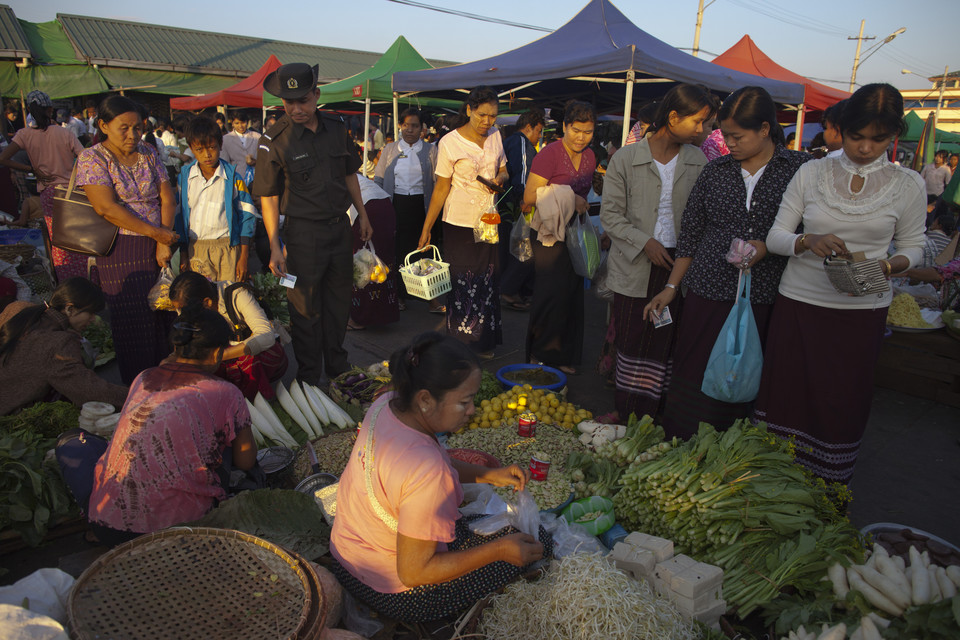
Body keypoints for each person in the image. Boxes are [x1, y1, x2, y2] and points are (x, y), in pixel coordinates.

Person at [755, 83, 925, 484]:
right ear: (841, 129)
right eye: (857, 137)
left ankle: (826, 490)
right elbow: (777, 236)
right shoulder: (810, 172)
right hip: (799, 303)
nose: (866, 148)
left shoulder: (909, 184)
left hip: (860, 311)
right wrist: (806, 241)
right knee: (787, 397)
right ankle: (773, 481)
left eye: (878, 139)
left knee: (840, 403)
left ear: (893, 136)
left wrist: (889, 265)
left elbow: (915, 247)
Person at [330, 332, 550, 623]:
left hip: (346, 554)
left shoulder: (386, 405)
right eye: (464, 402)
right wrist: (499, 551)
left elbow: (429, 462)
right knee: (536, 540)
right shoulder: (430, 473)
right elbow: (413, 572)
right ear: (425, 400)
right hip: (395, 590)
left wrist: (487, 475)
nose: (472, 411)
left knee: (484, 530)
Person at [645, 86, 810, 437]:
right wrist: (672, 288)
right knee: (698, 369)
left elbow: (806, 232)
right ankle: (683, 443)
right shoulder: (715, 171)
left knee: (748, 372)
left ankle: (732, 450)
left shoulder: (799, 170)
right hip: (708, 290)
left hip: (766, 295)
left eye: (737, 136)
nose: (729, 143)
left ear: (765, 129)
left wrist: (766, 246)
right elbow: (690, 237)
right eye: (726, 135)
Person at [87, 307, 257, 546]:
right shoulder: (225, 392)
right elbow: (246, 461)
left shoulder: (143, 378)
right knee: (230, 453)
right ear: (217, 352)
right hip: (173, 532)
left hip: (106, 522)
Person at [252, 62, 373, 385]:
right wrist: (275, 244)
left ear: (317, 95)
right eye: (289, 102)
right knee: (304, 309)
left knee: (338, 305)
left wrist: (362, 213)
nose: (296, 108)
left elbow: (349, 172)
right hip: (302, 234)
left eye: (303, 100)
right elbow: (268, 197)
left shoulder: (337, 128)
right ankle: (308, 379)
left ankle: (338, 370)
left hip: (338, 230)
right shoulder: (274, 139)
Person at [599, 84, 714, 422]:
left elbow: (700, 219)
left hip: (678, 265)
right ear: (673, 117)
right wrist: (644, 242)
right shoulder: (626, 158)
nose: (702, 130)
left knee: (666, 341)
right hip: (635, 262)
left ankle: (654, 417)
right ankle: (626, 412)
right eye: (698, 122)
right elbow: (610, 215)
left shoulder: (698, 159)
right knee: (633, 338)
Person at [76, 95, 180, 384]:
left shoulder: (147, 151)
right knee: (133, 322)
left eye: (137, 127)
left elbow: (167, 197)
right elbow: (106, 208)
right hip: (120, 248)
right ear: (103, 125)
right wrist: (157, 233)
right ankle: (139, 390)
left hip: (159, 243)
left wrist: (163, 239)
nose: (133, 135)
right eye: (124, 127)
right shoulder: (92, 157)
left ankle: (168, 382)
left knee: (165, 313)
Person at [417, 87, 507, 358]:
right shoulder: (449, 142)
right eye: (481, 115)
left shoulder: (495, 136)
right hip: (459, 222)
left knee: (488, 278)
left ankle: (484, 341)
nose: (487, 121)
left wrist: (499, 181)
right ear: (469, 110)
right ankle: (461, 342)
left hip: (488, 220)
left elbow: (504, 168)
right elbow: (441, 188)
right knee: (464, 280)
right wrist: (427, 227)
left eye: (492, 116)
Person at [520, 101, 597, 375]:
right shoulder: (549, 155)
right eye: (576, 130)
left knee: (572, 296)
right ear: (564, 126)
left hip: (574, 233)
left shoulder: (590, 157)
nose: (581, 137)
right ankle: (539, 354)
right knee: (549, 296)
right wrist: (569, 196)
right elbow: (528, 198)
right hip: (549, 237)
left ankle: (564, 354)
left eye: (588, 132)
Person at [0, 278, 128, 416]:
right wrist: (135, 396)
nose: (92, 319)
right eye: (90, 313)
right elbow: (87, 390)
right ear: (70, 309)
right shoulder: (58, 342)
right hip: (9, 413)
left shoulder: (22, 310)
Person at [0, 90, 87, 281]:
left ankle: (67, 280)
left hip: (49, 194)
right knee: (79, 239)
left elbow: (4, 158)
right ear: (50, 110)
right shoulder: (63, 133)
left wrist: (30, 168)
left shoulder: (24, 134)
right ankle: (86, 279)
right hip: (71, 191)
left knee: (59, 242)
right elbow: (85, 158)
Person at [169, 271, 287, 400]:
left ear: (207, 302)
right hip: (215, 355)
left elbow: (266, 336)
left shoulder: (236, 294)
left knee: (253, 359)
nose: (181, 313)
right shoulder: (187, 308)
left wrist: (219, 356)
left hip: (241, 353)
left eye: (182, 309)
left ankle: (254, 400)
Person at [373, 107, 442, 313]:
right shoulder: (390, 149)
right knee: (400, 251)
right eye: (406, 125)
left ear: (422, 128)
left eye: (415, 126)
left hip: (423, 207)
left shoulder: (431, 150)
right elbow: (379, 178)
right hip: (397, 205)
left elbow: (438, 181)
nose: (410, 130)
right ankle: (400, 296)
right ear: (400, 126)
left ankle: (431, 298)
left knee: (425, 250)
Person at [174, 115, 257, 283]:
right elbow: (180, 217)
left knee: (228, 300)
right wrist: (183, 253)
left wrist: (243, 257)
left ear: (220, 145)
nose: (207, 155)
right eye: (200, 150)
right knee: (201, 301)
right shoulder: (184, 178)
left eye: (211, 147)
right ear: (191, 148)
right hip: (195, 250)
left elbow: (247, 216)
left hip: (228, 249)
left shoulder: (234, 177)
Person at [499, 108, 546, 311]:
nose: (538, 137)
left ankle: (517, 290)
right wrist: (523, 198)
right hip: (518, 204)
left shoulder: (510, 141)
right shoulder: (520, 143)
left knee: (517, 248)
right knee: (524, 249)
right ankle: (509, 290)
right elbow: (523, 173)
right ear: (528, 127)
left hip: (509, 204)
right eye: (538, 131)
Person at [347, 175, 400, 330]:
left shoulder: (327, 174)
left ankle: (360, 319)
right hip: (385, 205)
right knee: (382, 261)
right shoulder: (348, 170)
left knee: (362, 265)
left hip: (366, 210)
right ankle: (384, 315)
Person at [220, 111, 261, 180]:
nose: (240, 126)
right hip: (236, 179)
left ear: (247, 122)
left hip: (256, 178)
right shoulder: (226, 139)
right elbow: (225, 163)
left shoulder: (257, 137)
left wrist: (255, 162)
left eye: (243, 122)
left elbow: (264, 159)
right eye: (237, 123)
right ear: (232, 124)